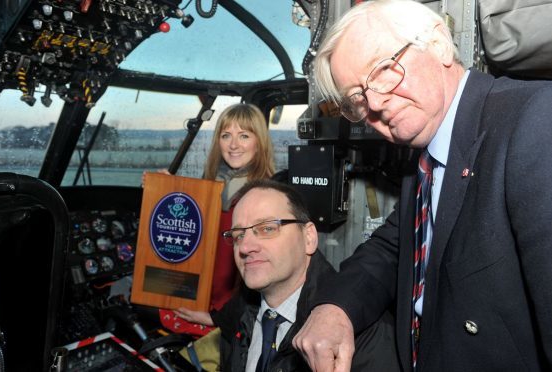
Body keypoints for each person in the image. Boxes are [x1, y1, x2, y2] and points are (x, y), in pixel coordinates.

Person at [292, 0, 552, 371]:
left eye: (383, 70)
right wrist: (334, 307)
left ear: (439, 45)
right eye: (357, 99)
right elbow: (393, 248)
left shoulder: (535, 121)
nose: (376, 105)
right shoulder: (426, 159)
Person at [212, 179, 398, 372]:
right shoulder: (236, 318)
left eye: (267, 228)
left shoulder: (357, 331)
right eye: (238, 235)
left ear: (309, 237)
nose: (245, 247)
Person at [154, 103, 276, 336]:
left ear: (259, 142)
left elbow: (266, 276)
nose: (233, 145)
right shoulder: (211, 188)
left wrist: (218, 317)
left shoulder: (267, 197)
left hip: (233, 312)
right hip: (200, 296)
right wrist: (162, 190)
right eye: (226, 135)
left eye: (244, 135)